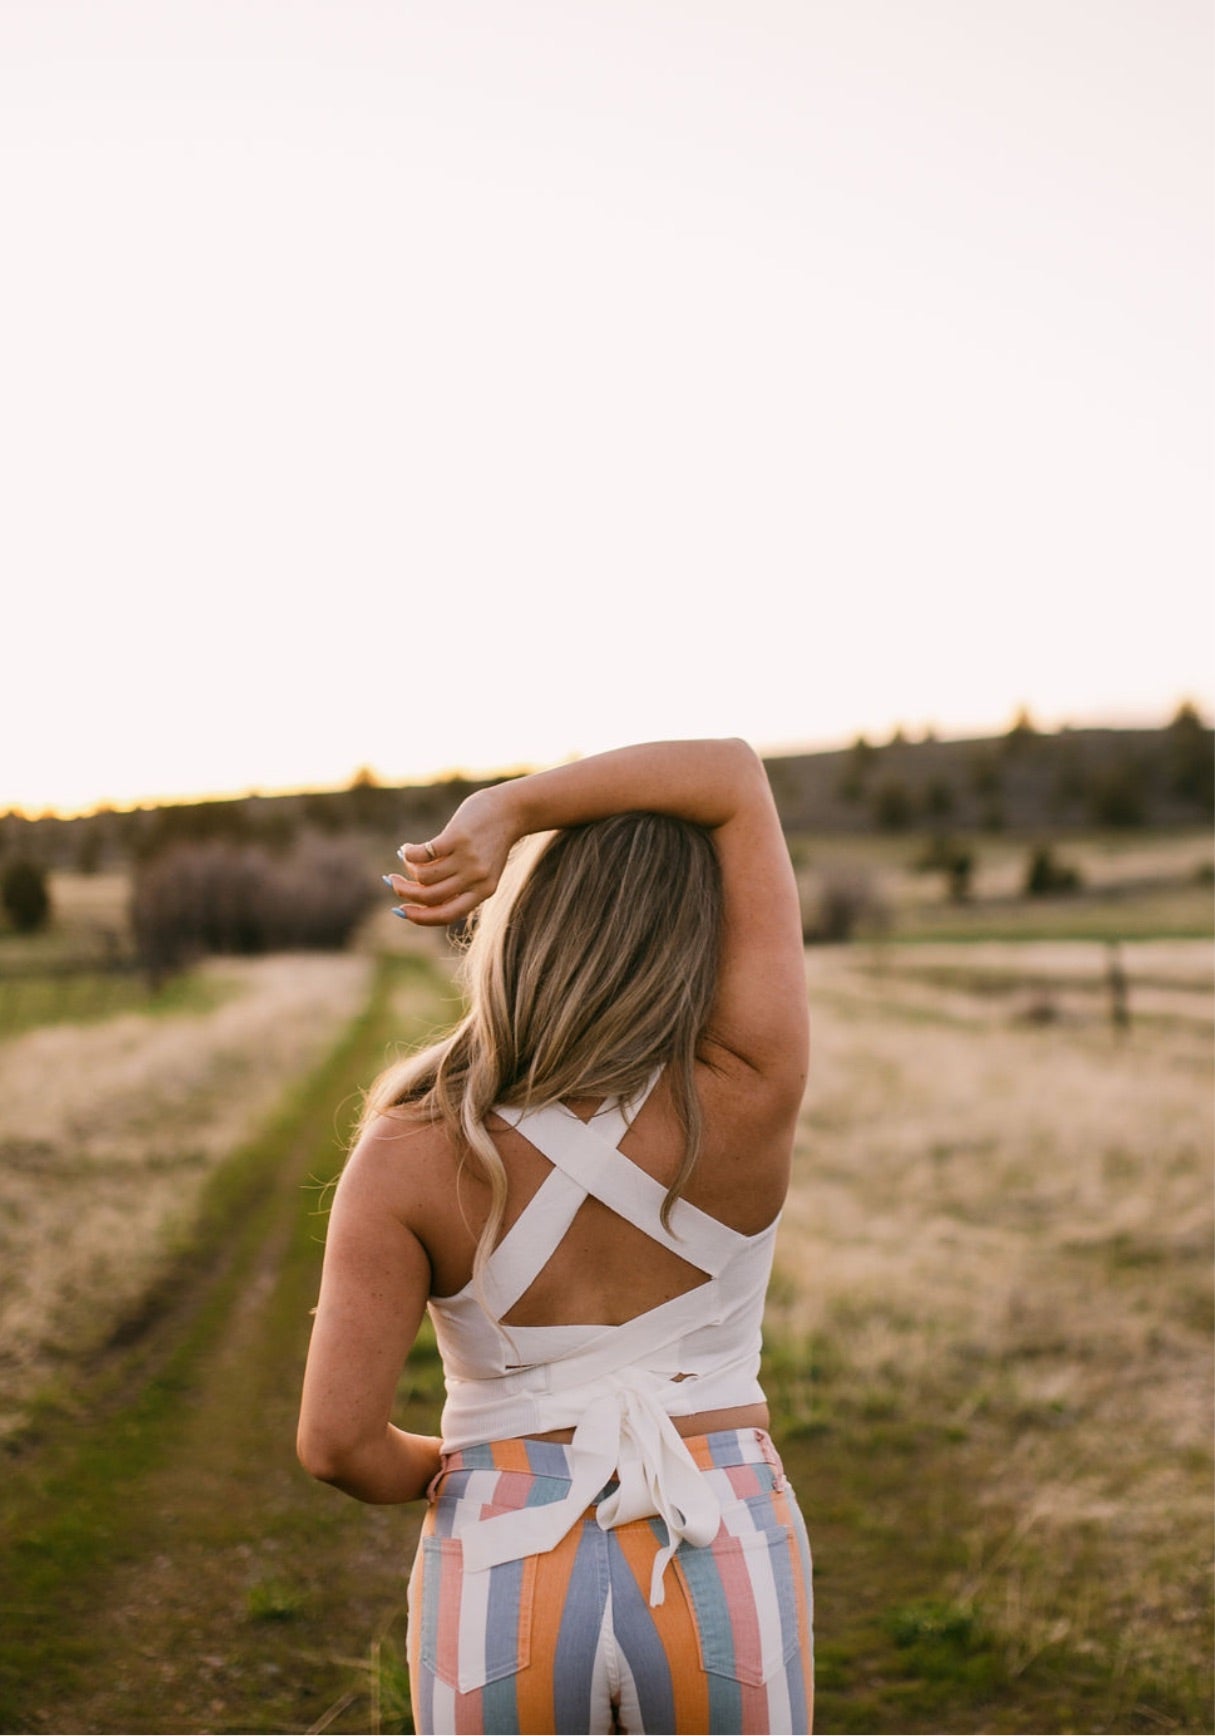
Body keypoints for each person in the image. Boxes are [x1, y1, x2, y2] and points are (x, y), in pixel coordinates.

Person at [297, 738, 813, 1734]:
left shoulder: (409, 1147)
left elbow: (337, 1442)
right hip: (722, 1540)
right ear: (700, 943)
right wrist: (512, 806)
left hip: (504, 1557)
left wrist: (455, 1466)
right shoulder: (751, 1085)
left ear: (522, 926)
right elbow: (733, 776)